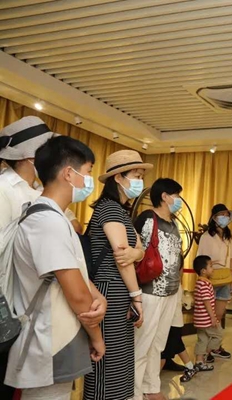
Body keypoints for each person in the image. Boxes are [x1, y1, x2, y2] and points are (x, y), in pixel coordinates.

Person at [0, 116, 97, 398]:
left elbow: (72, 232)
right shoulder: (4, 190)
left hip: (45, 300)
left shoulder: (41, 196)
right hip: (18, 302)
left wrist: (92, 294)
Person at [84, 150, 153, 400]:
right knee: (109, 360)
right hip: (109, 290)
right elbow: (122, 258)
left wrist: (137, 253)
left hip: (117, 289)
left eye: (141, 176)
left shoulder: (120, 211)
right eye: (136, 175)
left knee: (120, 359)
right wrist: (137, 297)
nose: (140, 181)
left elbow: (136, 250)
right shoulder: (110, 209)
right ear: (117, 177)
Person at [133, 178, 184, 400]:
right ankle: (134, 392)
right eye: (176, 195)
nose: (179, 200)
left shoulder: (173, 223)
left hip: (171, 292)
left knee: (158, 344)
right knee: (142, 344)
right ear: (164, 196)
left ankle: (151, 387)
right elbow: (135, 251)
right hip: (150, 291)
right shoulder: (147, 218)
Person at [195, 204, 232, 361]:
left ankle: (214, 347)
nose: (224, 217)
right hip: (210, 280)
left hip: (225, 278)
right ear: (214, 217)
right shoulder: (206, 237)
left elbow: (231, 260)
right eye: (221, 214)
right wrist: (203, 279)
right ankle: (206, 350)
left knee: (218, 314)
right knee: (208, 315)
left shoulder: (228, 237)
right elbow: (201, 260)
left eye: (226, 214)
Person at [193, 256, 220, 372]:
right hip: (206, 319)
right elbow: (207, 301)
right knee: (218, 335)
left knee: (202, 339)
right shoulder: (204, 284)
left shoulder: (199, 283)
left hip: (199, 319)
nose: (213, 269)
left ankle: (199, 362)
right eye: (211, 266)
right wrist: (213, 317)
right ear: (203, 271)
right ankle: (206, 353)